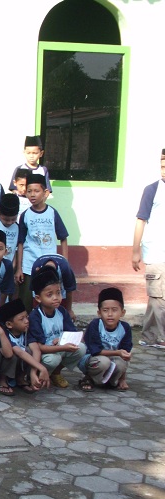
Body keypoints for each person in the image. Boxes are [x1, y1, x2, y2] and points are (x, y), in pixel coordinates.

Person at [16, 173, 69, 311]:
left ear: (45, 192)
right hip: (29, 265)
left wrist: (64, 263)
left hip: (49, 265)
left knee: (49, 300)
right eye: (29, 191)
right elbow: (20, 242)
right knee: (26, 303)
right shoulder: (25, 215)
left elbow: (63, 238)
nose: (32, 195)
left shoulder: (52, 213)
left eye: (36, 191)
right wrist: (19, 268)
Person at [27, 266, 86, 389]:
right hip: (45, 353)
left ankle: (55, 372)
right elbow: (40, 347)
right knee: (52, 360)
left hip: (60, 347)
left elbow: (71, 333)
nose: (56, 297)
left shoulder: (62, 311)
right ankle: (38, 373)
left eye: (58, 293)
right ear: (38, 298)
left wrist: (64, 340)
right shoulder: (35, 316)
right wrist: (62, 346)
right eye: (50, 294)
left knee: (81, 348)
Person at [132, 150, 165, 348]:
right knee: (156, 296)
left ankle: (153, 335)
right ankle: (155, 336)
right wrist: (135, 250)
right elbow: (140, 220)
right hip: (155, 252)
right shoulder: (152, 189)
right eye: (162, 166)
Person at [80, 287, 132, 391]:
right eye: (105, 310)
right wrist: (118, 353)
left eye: (114, 310)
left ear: (122, 312)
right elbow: (96, 351)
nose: (110, 314)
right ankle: (88, 378)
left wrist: (123, 378)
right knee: (103, 362)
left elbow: (125, 353)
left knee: (122, 362)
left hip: (113, 358)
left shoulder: (125, 328)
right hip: (92, 358)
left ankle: (112, 381)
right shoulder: (95, 325)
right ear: (99, 313)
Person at [0, 298, 49, 393]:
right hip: (4, 362)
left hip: (20, 362)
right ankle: (2, 379)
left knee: (29, 350)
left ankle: (20, 378)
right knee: (13, 355)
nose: (27, 321)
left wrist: (33, 372)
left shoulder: (25, 330)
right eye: (21, 319)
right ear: (9, 324)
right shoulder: (3, 333)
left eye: (27, 317)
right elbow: (18, 351)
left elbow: (36, 350)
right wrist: (42, 368)